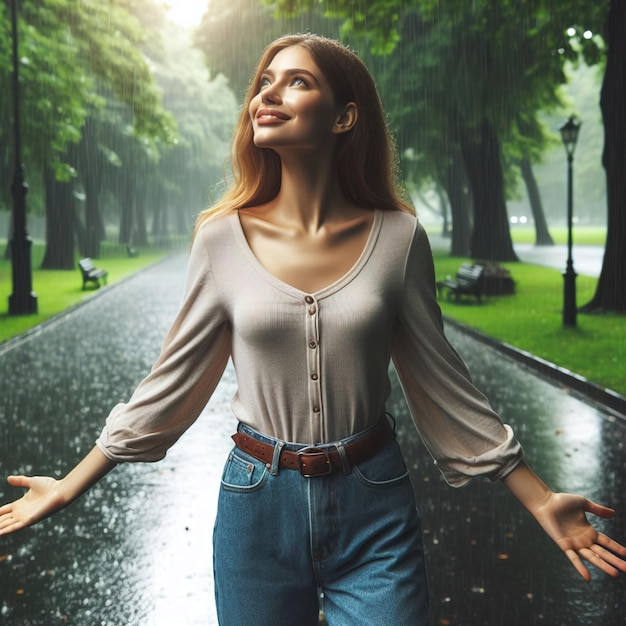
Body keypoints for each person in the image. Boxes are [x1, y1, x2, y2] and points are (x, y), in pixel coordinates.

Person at [0, 33, 625, 625]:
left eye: (295, 82)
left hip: (374, 498)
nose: (267, 94)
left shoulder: (399, 238)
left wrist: (539, 497)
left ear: (344, 116)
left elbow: (443, 383)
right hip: (255, 506)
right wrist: (69, 485)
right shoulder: (221, 238)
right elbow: (171, 381)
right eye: (264, 82)